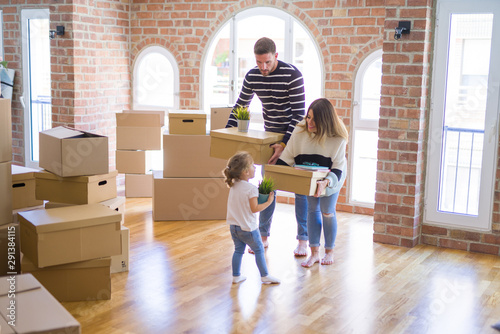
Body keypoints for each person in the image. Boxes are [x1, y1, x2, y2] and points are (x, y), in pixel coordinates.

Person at [225, 37, 308, 256]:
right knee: (268, 186)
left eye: (268, 62)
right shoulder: (253, 75)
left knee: (300, 189)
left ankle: (303, 240)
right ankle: (263, 236)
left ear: (276, 56)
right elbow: (241, 104)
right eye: (259, 62)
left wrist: (284, 144)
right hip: (270, 137)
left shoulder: (292, 75)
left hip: (295, 137)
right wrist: (225, 134)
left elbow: (299, 115)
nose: (263, 67)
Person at [276, 98, 348, 268]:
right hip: (309, 176)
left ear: (326, 121)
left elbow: (337, 169)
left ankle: (329, 251)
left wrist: (326, 183)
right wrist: (276, 175)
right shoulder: (300, 133)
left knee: (327, 211)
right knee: (312, 210)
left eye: (315, 119)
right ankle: (314, 253)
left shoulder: (338, 139)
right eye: (308, 117)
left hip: (332, 176)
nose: (309, 122)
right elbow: (286, 159)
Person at [223, 151, 281, 284]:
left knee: (238, 251)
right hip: (248, 228)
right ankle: (265, 276)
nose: (255, 168)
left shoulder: (233, 185)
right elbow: (255, 208)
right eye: (252, 165)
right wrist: (268, 202)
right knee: (259, 250)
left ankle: (236, 276)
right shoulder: (251, 189)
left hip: (234, 227)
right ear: (245, 172)